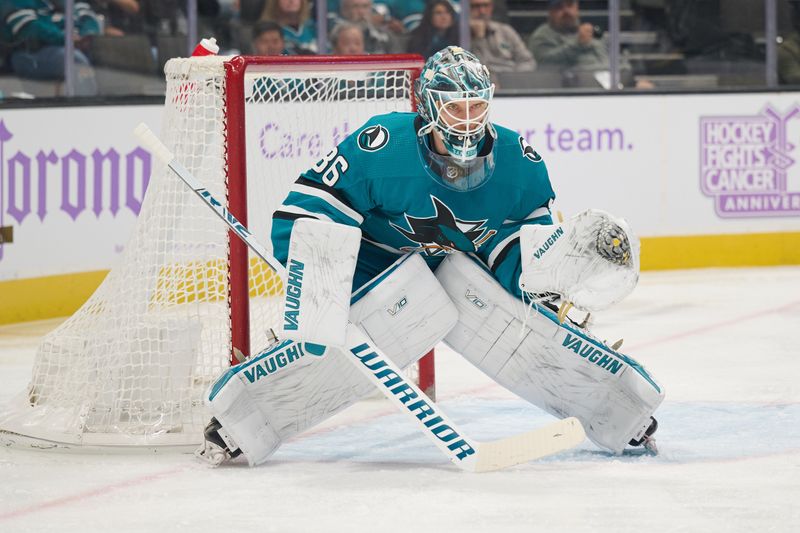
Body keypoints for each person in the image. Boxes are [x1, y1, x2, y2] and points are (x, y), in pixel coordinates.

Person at [196, 46, 664, 467]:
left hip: (458, 265)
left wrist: (552, 274)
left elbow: (522, 253)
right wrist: (321, 286)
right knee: (389, 316)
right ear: (428, 106)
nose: (468, 117)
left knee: (520, 318)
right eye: (456, 106)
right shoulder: (383, 144)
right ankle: (244, 416)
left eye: (477, 105)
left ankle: (617, 410)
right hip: (372, 263)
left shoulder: (520, 163)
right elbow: (303, 211)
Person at [0, 0, 101, 95]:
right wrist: (66, 39)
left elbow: (89, 17)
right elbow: (29, 27)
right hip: (30, 53)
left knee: (106, 56)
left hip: (72, 46)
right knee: (73, 59)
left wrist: (86, 35)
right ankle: (85, 108)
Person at [469, 0, 536, 77]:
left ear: (491, 7)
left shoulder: (506, 31)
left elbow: (528, 61)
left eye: (486, 6)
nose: (482, 11)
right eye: (476, 6)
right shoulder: (461, 36)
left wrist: (513, 77)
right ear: (467, 9)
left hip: (510, 79)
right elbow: (477, 68)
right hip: (483, 83)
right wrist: (478, 39)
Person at [329, 0, 398, 54]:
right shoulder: (334, 34)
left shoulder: (385, 36)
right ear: (344, 9)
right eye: (355, 6)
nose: (361, 12)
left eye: (365, 6)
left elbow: (398, 62)